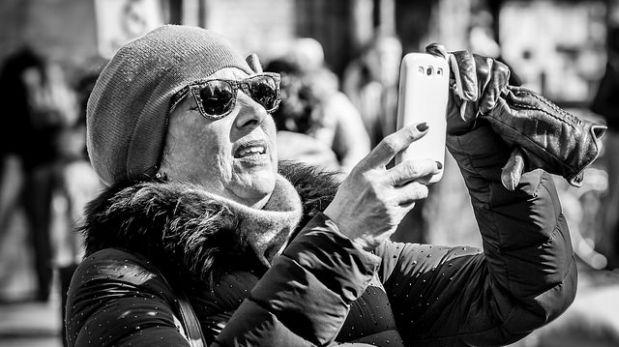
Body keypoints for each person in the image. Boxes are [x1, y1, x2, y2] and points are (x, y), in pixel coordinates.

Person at [65, 25, 592, 346]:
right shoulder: (118, 278)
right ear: (151, 154)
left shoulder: (326, 237)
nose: (254, 113)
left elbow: (524, 294)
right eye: (218, 99)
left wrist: (481, 143)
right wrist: (339, 241)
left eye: (259, 91)